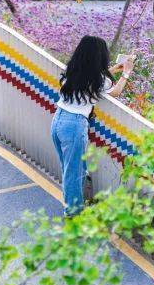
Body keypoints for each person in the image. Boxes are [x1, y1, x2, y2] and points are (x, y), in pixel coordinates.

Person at [51, 35, 135, 215]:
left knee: (69, 169)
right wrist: (126, 72)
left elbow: (94, 79)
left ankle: (75, 207)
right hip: (74, 125)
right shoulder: (99, 79)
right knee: (74, 173)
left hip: (58, 120)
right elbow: (116, 91)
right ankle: (73, 214)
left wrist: (114, 69)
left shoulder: (73, 70)